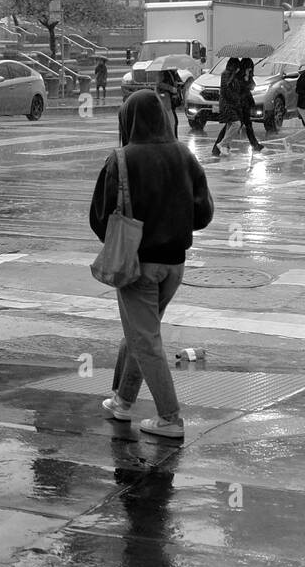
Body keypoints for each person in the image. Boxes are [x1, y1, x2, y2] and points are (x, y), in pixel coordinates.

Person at [89, 89, 214, 439]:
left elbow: (99, 218)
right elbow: (203, 213)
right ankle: (122, 400)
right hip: (175, 265)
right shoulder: (184, 155)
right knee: (141, 333)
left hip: (138, 265)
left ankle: (170, 418)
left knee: (146, 341)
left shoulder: (122, 159)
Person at [156, 66, 182, 139]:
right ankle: (172, 138)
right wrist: (171, 88)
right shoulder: (162, 72)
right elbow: (159, 84)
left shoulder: (173, 73)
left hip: (171, 101)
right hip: (165, 100)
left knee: (174, 121)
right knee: (172, 121)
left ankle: (174, 138)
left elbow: (179, 82)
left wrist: (177, 83)